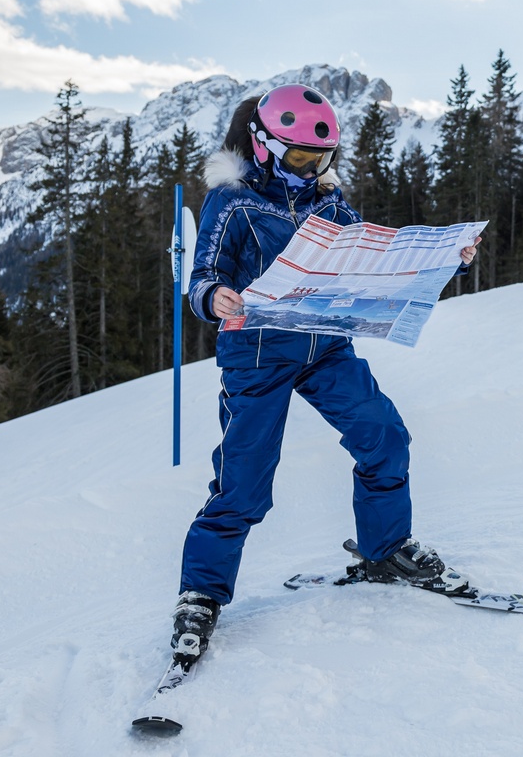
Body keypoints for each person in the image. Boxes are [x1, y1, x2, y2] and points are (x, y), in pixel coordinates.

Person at [171, 83, 481, 667]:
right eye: (300, 158)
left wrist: (443, 258)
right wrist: (215, 297)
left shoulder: (330, 206)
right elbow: (202, 275)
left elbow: (375, 260)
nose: (311, 170)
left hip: (324, 349)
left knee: (383, 435)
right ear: (262, 146)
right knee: (244, 482)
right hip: (257, 354)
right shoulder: (232, 201)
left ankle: (384, 550)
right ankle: (200, 595)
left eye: (321, 160)